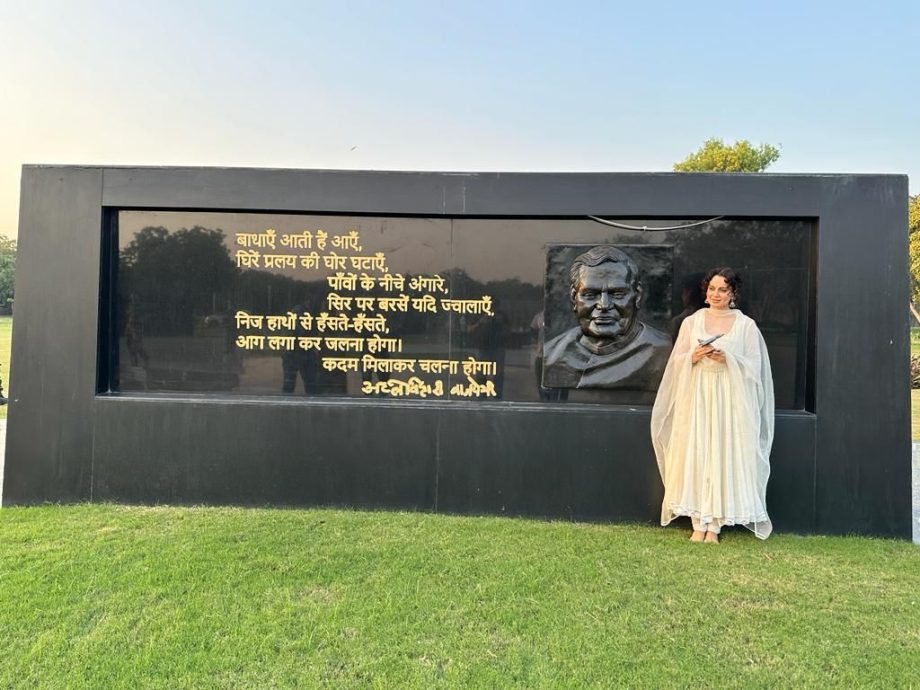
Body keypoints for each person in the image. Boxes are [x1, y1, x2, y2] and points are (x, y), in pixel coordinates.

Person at [650, 268, 774, 543]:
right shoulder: (692, 323)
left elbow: (755, 367)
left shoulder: (746, 326)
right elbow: (676, 362)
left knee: (722, 452)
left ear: (733, 293)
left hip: (728, 400)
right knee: (697, 451)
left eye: (722, 289)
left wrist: (727, 358)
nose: (715, 294)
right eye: (712, 289)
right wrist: (693, 355)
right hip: (697, 396)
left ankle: (715, 525)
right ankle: (698, 521)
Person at [543, 245, 671, 391]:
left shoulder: (663, 352)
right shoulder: (552, 353)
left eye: (617, 294)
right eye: (590, 295)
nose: (604, 305)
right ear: (574, 298)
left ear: (637, 296)